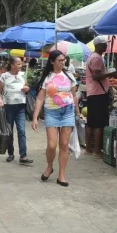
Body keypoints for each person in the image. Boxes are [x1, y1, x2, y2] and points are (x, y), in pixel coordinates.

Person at [32, 50, 81, 187]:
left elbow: (74, 95)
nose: (62, 62)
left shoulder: (69, 75)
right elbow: (40, 97)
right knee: (52, 145)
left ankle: (62, 175)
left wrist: (77, 112)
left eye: (63, 60)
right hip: (51, 113)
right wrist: (35, 117)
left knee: (64, 145)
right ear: (52, 61)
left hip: (68, 112)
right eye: (59, 60)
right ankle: (49, 166)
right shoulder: (47, 77)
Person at [0, 57, 33, 165]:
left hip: (21, 107)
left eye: (21, 64)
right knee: (9, 131)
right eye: (18, 64)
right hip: (8, 107)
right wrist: (0, 100)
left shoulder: (22, 75)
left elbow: (27, 87)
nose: (20, 66)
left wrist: (27, 89)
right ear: (12, 65)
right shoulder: (4, 76)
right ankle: (11, 153)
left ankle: (23, 155)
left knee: (22, 131)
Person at [85, 36, 116, 158]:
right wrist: (111, 73)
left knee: (91, 122)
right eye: (104, 45)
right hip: (98, 93)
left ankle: (88, 149)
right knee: (98, 123)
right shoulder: (97, 58)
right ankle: (97, 151)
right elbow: (96, 76)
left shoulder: (93, 57)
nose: (106, 46)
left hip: (93, 93)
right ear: (98, 46)